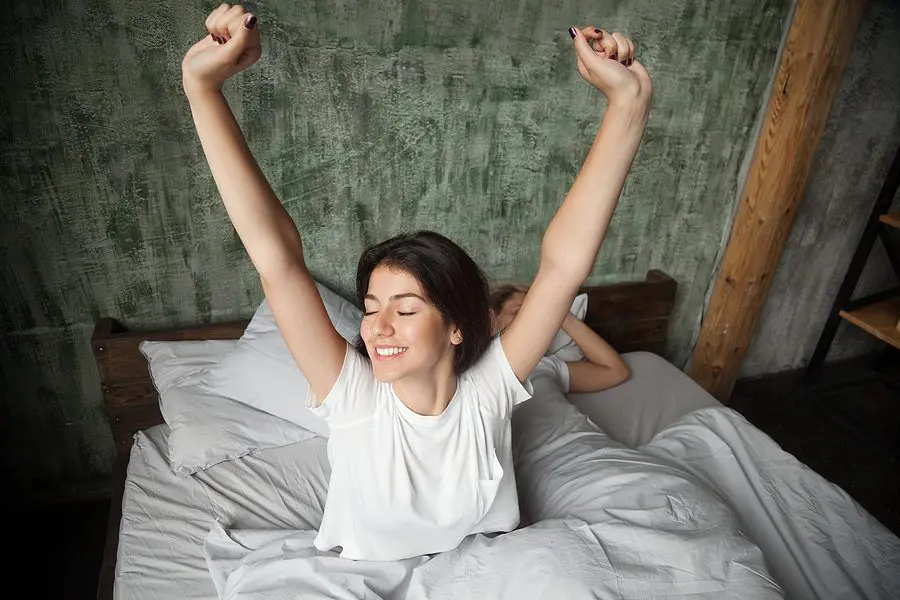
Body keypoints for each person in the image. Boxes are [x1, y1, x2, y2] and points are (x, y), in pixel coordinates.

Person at [181, 4, 652, 561]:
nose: (376, 327)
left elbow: (563, 267)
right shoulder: (354, 398)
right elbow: (276, 257)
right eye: (372, 306)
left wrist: (628, 104)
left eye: (405, 309)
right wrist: (202, 89)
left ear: (457, 327)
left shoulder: (487, 395)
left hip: (488, 574)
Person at [490, 283, 630, 393]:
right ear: (492, 319)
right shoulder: (480, 372)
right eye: (519, 313)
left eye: (538, 316)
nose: (531, 323)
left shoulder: (545, 366)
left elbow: (617, 371)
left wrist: (560, 313)